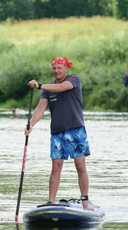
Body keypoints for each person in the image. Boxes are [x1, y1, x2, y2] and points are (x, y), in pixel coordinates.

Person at [26, 57, 93, 210]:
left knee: (80, 165)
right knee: (56, 166)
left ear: (66, 68)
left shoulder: (73, 79)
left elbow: (62, 88)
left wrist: (40, 85)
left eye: (59, 68)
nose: (56, 71)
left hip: (75, 129)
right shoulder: (48, 88)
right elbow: (40, 109)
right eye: (54, 68)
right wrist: (31, 124)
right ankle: (51, 202)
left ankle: (85, 202)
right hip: (57, 132)